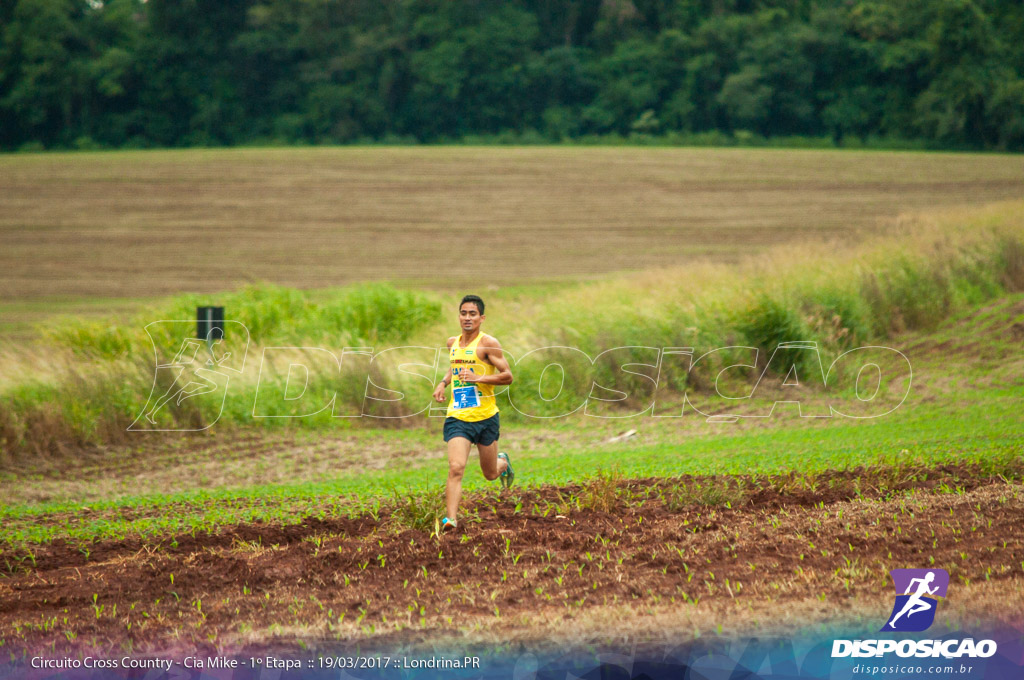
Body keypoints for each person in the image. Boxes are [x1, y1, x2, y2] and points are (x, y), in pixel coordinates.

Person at [432, 294, 515, 532]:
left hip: (486, 417)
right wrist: (443, 383)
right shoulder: (452, 342)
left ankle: (503, 462)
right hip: (458, 417)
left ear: (481, 318)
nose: (467, 318)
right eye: (463, 313)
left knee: (489, 474)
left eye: (472, 314)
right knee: (456, 467)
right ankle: (451, 520)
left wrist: (479, 377)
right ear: (458, 316)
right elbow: (455, 365)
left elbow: (508, 376)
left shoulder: (488, 343)